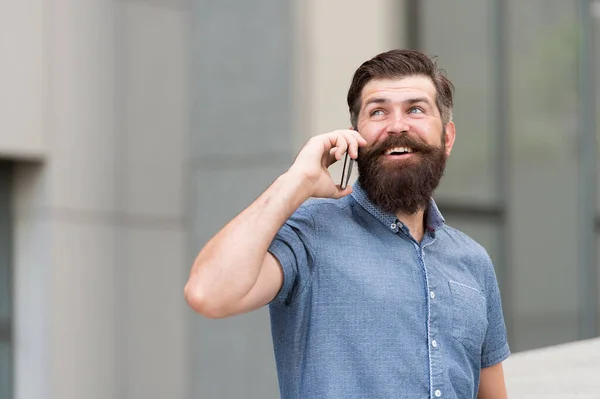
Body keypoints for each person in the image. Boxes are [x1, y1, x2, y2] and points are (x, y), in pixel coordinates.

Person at [184, 49, 510, 399]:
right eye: (378, 112)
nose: (397, 125)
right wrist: (297, 180)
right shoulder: (308, 235)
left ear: (447, 138)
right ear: (354, 136)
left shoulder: (474, 263)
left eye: (415, 109)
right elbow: (208, 293)